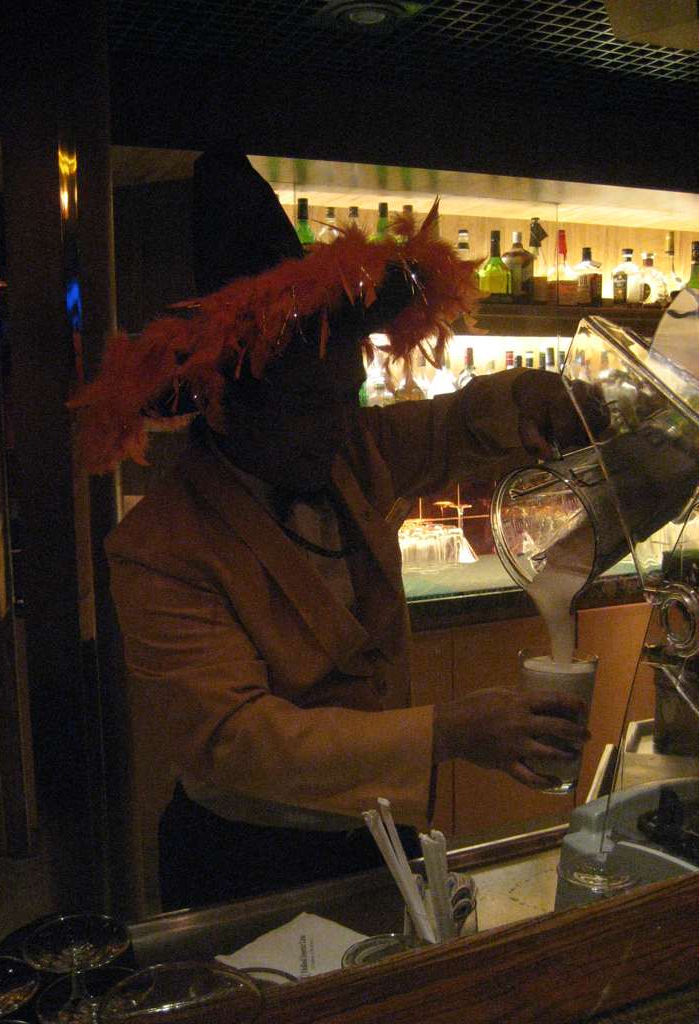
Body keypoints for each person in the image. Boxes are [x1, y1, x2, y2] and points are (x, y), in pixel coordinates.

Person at [69, 144, 599, 911]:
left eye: (347, 397)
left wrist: (537, 399)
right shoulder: (158, 547)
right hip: (246, 858)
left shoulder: (348, 451)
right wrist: (445, 731)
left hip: (384, 828)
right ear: (223, 408)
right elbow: (237, 739)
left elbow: (455, 425)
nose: (341, 425)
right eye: (311, 407)